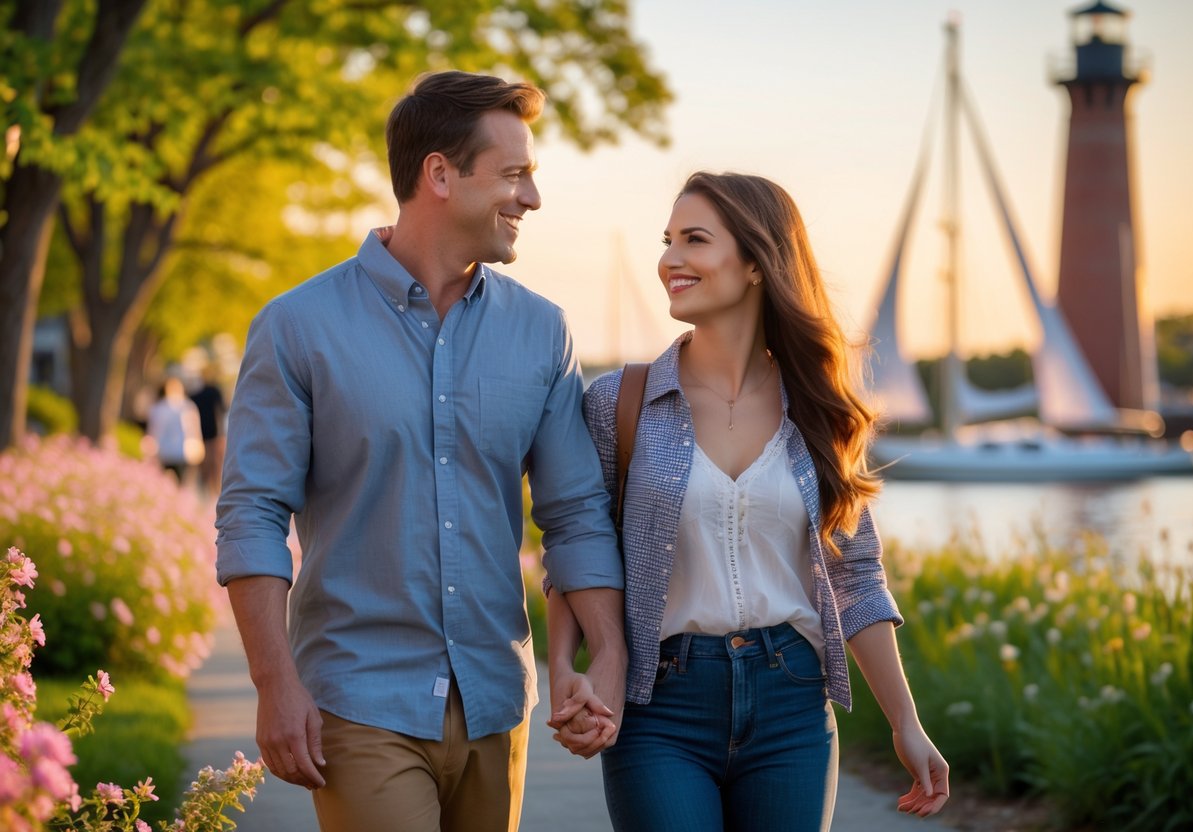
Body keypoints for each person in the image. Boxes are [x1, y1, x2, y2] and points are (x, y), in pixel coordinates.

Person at [215, 71, 626, 832]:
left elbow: (574, 517)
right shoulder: (298, 326)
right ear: (439, 174)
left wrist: (601, 664)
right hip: (358, 699)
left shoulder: (543, 332)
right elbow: (252, 513)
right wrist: (274, 684)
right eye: (514, 175)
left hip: (495, 702)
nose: (531, 199)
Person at [545, 172, 949, 831]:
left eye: (694, 240)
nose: (670, 259)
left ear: (758, 262)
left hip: (791, 704)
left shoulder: (818, 410)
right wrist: (569, 667)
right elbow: (577, 550)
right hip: (659, 706)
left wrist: (905, 723)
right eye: (667, 240)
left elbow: (854, 575)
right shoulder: (617, 404)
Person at [146, 376, 204, 484]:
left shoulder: (159, 408)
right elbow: (193, 431)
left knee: (164, 483)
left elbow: (154, 431)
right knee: (180, 484)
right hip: (181, 452)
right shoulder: (188, 407)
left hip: (166, 452)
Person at [189, 365, 227, 496]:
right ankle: (215, 492)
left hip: (201, 434)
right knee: (215, 466)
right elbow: (222, 410)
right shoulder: (216, 392)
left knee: (203, 466)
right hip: (215, 434)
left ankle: (204, 490)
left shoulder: (195, 395)